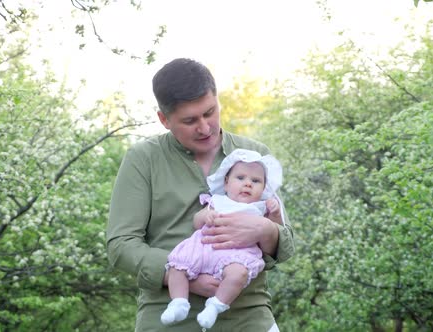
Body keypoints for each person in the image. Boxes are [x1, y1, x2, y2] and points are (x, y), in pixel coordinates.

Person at [106, 58, 294, 331]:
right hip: (167, 317)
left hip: (248, 316)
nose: (205, 128)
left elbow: (285, 245)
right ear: (164, 119)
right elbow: (120, 245)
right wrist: (179, 276)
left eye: (210, 112)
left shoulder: (254, 154)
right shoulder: (142, 159)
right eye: (190, 120)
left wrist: (265, 230)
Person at [161, 148, 285, 329]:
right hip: (203, 247)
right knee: (177, 267)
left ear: (264, 188)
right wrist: (206, 217)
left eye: (256, 181)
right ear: (226, 183)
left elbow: (277, 230)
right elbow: (197, 221)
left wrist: (274, 213)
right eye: (241, 178)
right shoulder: (217, 201)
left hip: (236, 254)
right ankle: (178, 302)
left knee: (238, 275)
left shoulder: (261, 207)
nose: (248, 184)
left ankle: (215, 306)